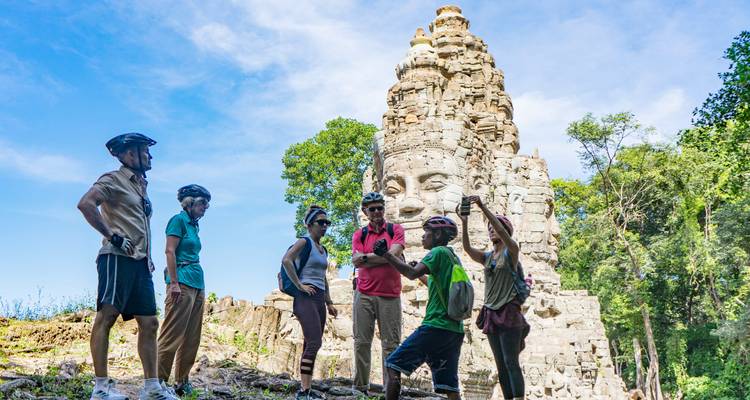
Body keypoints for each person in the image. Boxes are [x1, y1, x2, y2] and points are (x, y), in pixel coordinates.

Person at [77, 133, 178, 400]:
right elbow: (86, 204)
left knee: (150, 322)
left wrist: (147, 256)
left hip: (140, 263)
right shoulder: (113, 179)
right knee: (107, 316)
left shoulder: (141, 187)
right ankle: (100, 388)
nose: (150, 156)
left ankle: (152, 387)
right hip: (116, 258)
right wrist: (113, 236)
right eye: (146, 151)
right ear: (130, 154)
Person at [373, 216, 465, 400]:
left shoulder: (437, 252)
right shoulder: (452, 257)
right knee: (449, 386)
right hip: (454, 330)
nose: (423, 237)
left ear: (438, 234)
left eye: (427, 233)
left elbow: (412, 274)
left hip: (435, 326)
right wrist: (408, 266)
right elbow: (434, 284)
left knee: (392, 365)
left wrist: (387, 254)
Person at [458, 195, 529, 400]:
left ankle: (519, 398)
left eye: (495, 227)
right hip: (491, 311)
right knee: (500, 364)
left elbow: (501, 231)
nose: (492, 230)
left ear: (505, 231)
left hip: (509, 312)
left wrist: (482, 206)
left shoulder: (511, 251)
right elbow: (468, 249)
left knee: (510, 361)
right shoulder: (488, 257)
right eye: (489, 228)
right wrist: (464, 222)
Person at [157, 184, 211, 396]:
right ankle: (158, 382)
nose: (206, 207)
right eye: (202, 203)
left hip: (198, 283)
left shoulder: (194, 226)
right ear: (189, 202)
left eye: (207, 204)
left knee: (192, 337)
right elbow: (170, 252)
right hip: (181, 282)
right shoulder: (178, 220)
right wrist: (174, 283)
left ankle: (181, 382)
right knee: (172, 335)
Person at [281, 206, 339, 400]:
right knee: (314, 342)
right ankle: (303, 391)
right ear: (309, 225)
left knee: (310, 343)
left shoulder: (323, 250)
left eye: (327, 223)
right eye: (321, 223)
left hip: (319, 299)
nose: (325, 226)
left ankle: (307, 388)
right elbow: (287, 260)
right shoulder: (304, 242)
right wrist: (299, 285)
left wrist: (329, 302)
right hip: (304, 298)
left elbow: (323, 277)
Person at [351, 192, 406, 394]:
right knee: (361, 342)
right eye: (371, 208)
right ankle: (360, 388)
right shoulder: (360, 234)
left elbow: (395, 254)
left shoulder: (395, 230)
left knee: (391, 345)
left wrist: (368, 257)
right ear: (365, 211)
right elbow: (356, 261)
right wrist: (384, 255)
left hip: (390, 294)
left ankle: (390, 390)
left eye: (379, 208)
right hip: (364, 293)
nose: (376, 212)